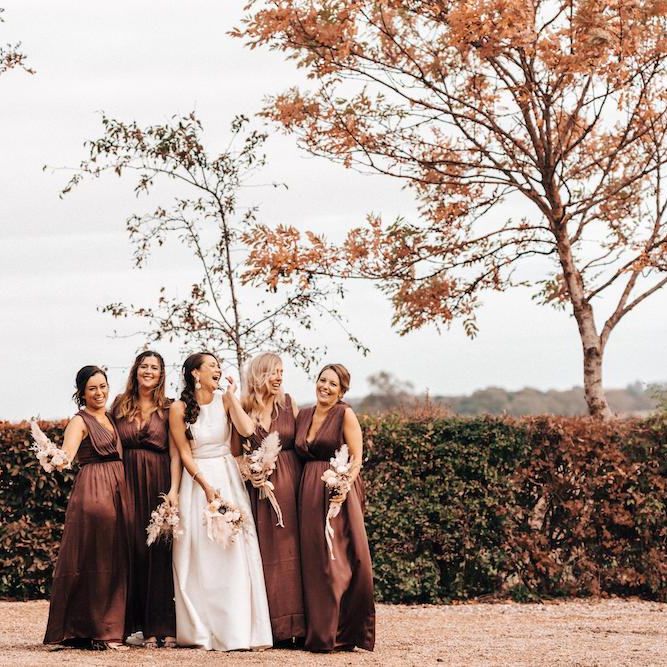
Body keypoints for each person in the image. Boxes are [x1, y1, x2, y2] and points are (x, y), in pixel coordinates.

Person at [169, 352, 272, 651]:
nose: (217, 369)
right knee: (199, 550)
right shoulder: (178, 408)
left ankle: (238, 629)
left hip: (227, 476)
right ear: (195, 373)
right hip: (196, 480)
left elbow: (247, 430)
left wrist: (232, 396)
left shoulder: (224, 400)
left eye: (218, 365)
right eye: (211, 366)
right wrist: (205, 486)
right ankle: (202, 630)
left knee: (233, 549)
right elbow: (184, 453)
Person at [43, 366, 131, 651]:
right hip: (95, 490)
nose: (99, 392)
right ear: (82, 393)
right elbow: (67, 455)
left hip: (118, 488)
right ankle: (95, 630)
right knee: (97, 559)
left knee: (115, 558)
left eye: (103, 386)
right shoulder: (79, 421)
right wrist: (56, 458)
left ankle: (109, 627)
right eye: (92, 388)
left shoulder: (110, 417)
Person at [295, 363, 375, 652]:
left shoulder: (345, 414)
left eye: (333, 384)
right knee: (313, 561)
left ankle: (342, 632)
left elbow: (356, 458)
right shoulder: (303, 414)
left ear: (341, 391)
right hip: (307, 492)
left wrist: (343, 488)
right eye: (322, 380)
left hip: (337, 494)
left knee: (338, 560)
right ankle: (315, 630)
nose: (325, 387)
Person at [231, 352, 305, 644]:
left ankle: (296, 627)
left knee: (291, 553)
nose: (278, 377)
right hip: (258, 491)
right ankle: (271, 627)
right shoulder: (243, 407)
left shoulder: (288, 404)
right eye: (274, 372)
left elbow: (302, 444)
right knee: (265, 554)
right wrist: (251, 472)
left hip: (291, 484)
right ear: (259, 374)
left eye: (281, 372)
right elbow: (234, 452)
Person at [112, 350, 179, 649]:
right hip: (126, 481)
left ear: (162, 374)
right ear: (135, 370)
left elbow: (176, 452)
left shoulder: (169, 407)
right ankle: (133, 625)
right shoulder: (119, 404)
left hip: (158, 481)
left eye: (154, 367)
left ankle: (160, 626)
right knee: (132, 550)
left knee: (160, 552)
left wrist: (174, 490)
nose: (148, 371)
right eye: (144, 366)